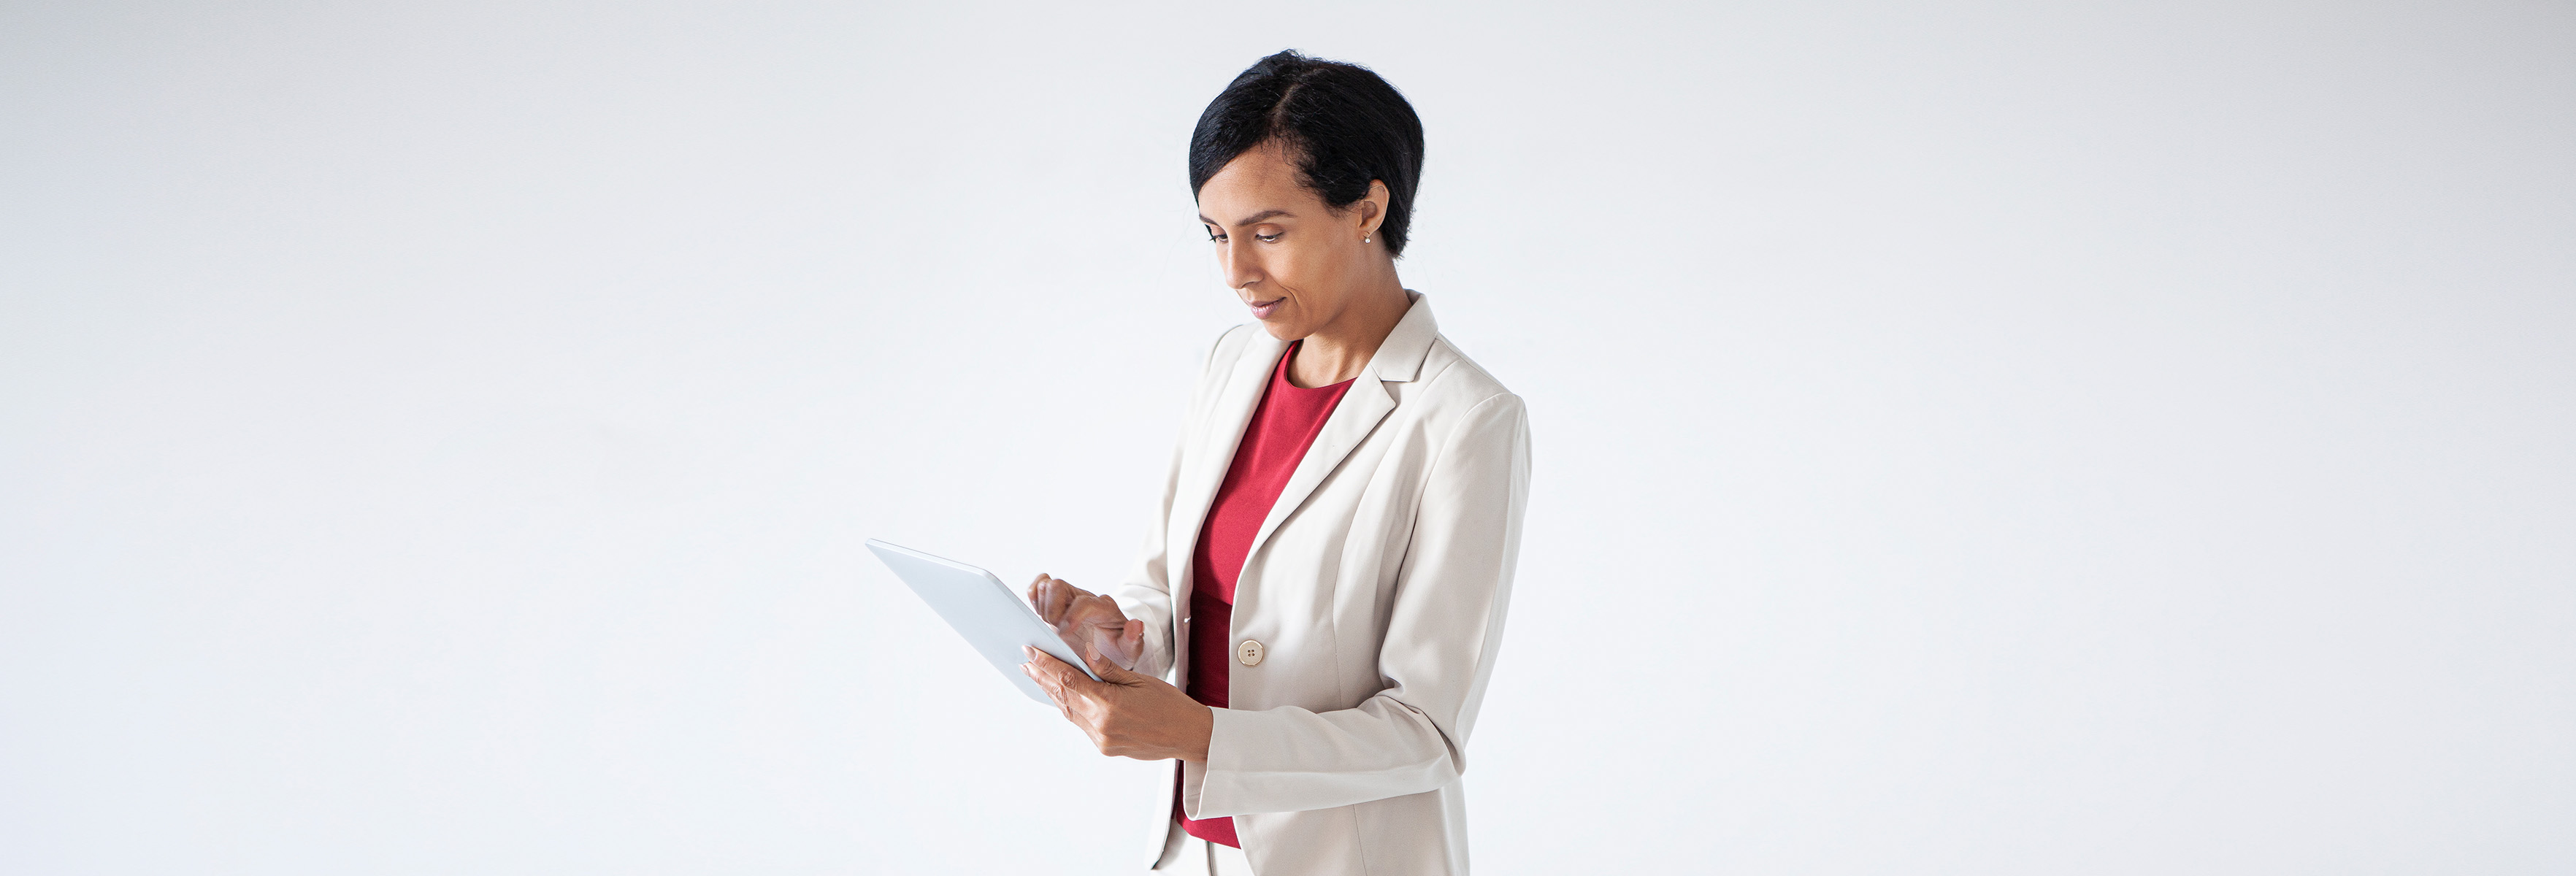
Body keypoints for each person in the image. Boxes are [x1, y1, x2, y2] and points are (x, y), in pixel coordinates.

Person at [1017, 50, 1531, 875]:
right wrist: (1121, 636)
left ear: (1367, 210)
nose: (1235, 273)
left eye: (1268, 233)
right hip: (1205, 855)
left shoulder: (1465, 419)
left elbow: (1426, 729)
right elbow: (1176, 591)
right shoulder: (1233, 365)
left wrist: (1201, 735)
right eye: (1216, 235)